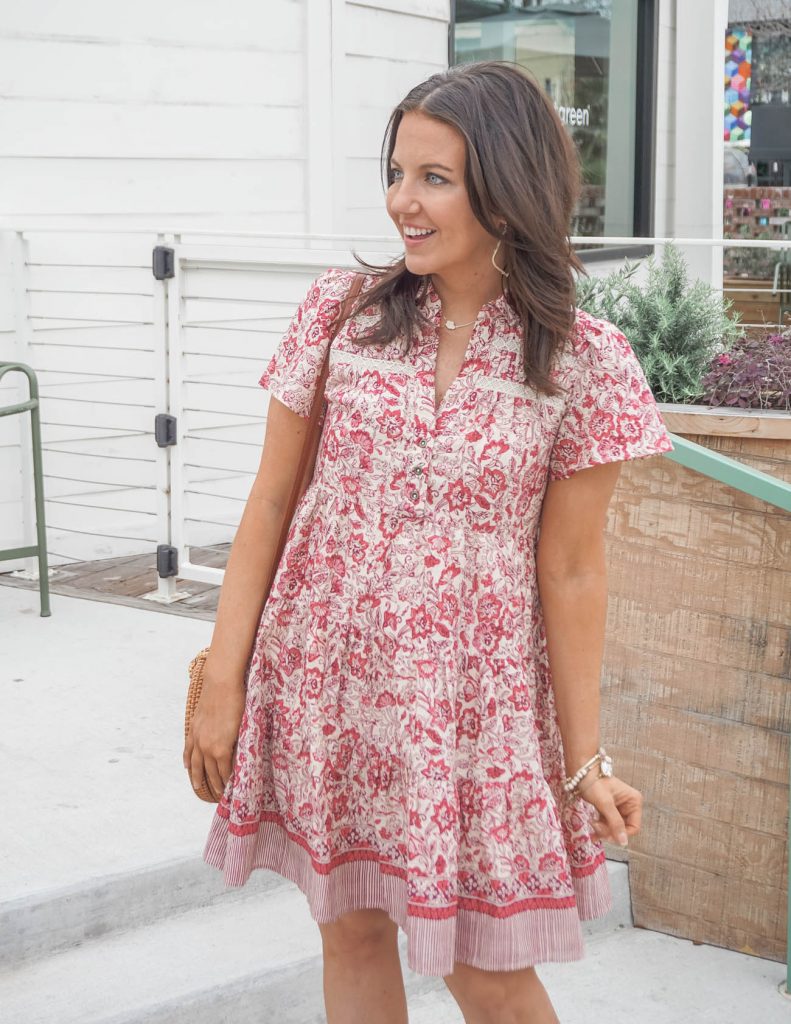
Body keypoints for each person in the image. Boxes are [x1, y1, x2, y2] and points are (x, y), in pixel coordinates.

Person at [185, 60, 674, 1024]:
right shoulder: (342, 315)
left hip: (471, 712)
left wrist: (584, 761)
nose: (401, 202)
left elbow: (573, 570)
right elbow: (272, 503)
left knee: (485, 966)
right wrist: (223, 678)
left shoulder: (581, 358)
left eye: (434, 178)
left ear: (506, 187)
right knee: (352, 925)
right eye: (397, 172)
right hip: (326, 678)